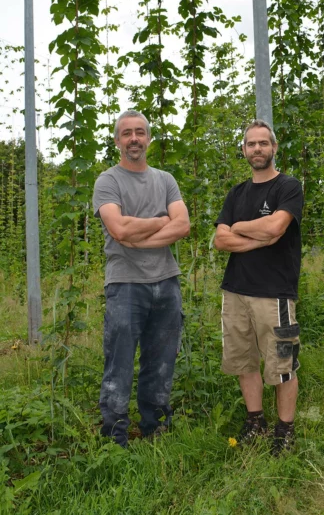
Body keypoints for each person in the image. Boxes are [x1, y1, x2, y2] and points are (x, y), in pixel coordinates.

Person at [92, 110, 190, 447]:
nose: (134, 138)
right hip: (125, 284)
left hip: (167, 281)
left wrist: (140, 236)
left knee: (161, 361)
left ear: (148, 138)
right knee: (118, 363)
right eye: (126, 133)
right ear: (117, 141)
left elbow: (183, 225)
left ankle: (156, 430)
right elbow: (119, 229)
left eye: (139, 132)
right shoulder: (108, 181)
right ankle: (114, 439)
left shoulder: (165, 180)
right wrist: (161, 221)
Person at [214, 119, 303, 456]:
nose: (257, 149)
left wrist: (239, 227)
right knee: (243, 361)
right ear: (244, 150)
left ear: (274, 147)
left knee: (283, 363)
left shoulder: (288, 187)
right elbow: (220, 240)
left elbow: (276, 227)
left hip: (275, 293)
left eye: (263, 143)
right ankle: (256, 422)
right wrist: (259, 236)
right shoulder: (236, 193)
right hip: (235, 291)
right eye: (251, 144)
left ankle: (285, 430)